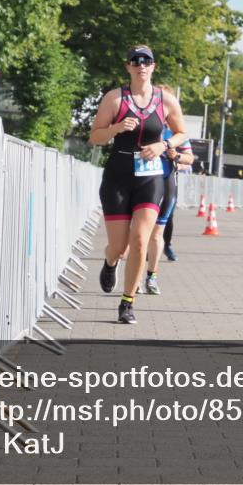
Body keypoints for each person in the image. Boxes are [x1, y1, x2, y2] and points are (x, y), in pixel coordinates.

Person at [88, 45, 188, 324]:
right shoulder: (114, 98)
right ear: (128, 67)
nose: (141, 65)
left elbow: (182, 133)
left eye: (146, 61)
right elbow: (94, 137)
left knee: (141, 239)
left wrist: (163, 144)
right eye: (135, 61)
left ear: (153, 66)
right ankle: (110, 263)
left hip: (150, 177)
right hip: (118, 175)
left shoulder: (166, 100)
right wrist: (115, 129)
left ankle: (127, 302)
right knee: (119, 247)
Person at [144, 94, 195, 294]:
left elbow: (190, 159)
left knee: (157, 234)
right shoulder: (144, 127)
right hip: (143, 184)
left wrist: (177, 156)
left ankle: (152, 277)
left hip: (166, 185)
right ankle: (135, 277)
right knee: (139, 235)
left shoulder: (176, 132)